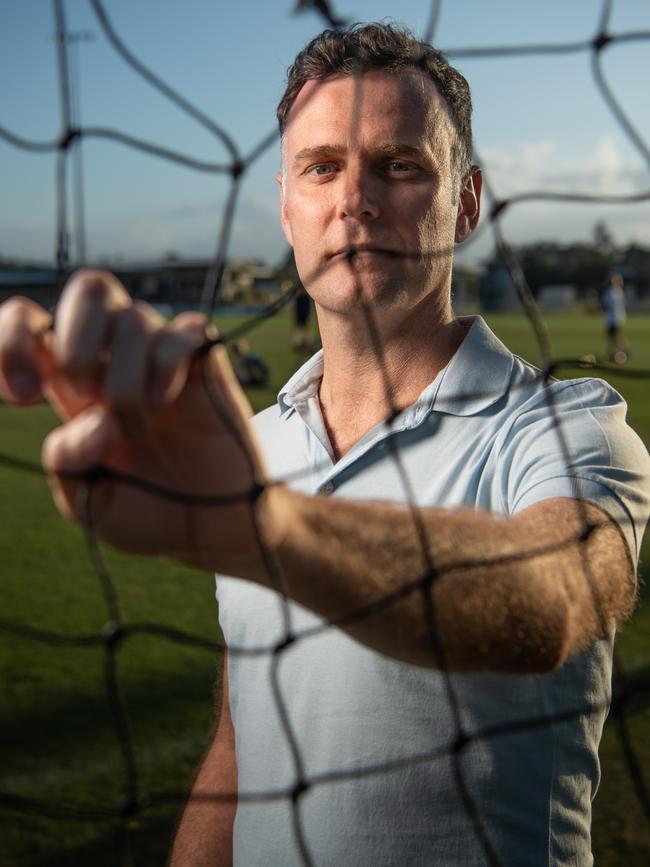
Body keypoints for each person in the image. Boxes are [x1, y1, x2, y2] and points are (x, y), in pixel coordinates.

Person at [0, 22, 648, 867]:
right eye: (322, 167)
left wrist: (265, 525)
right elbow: (242, 742)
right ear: (285, 205)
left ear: (467, 203)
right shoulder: (252, 444)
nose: (355, 199)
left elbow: (553, 601)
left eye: (398, 165)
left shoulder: (569, 425)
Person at [601, 272, 628, 363]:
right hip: (616, 318)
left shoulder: (612, 291)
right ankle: (615, 353)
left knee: (613, 337)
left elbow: (607, 305)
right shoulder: (619, 291)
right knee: (613, 337)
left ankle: (622, 352)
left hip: (614, 318)